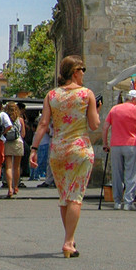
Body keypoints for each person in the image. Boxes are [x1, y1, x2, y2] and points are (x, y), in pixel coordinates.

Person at [30, 55, 100, 258]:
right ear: (75, 72)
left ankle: (70, 237)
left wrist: (34, 149)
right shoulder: (87, 94)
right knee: (76, 197)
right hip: (79, 149)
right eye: (83, 70)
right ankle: (69, 241)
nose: (84, 74)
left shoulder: (51, 95)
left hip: (58, 150)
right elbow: (94, 125)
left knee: (64, 197)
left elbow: (43, 124)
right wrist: (97, 110)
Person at [103, 89, 136, 211]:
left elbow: (105, 127)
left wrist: (105, 143)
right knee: (131, 174)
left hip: (115, 145)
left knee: (117, 174)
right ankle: (128, 202)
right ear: (134, 99)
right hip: (131, 144)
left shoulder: (114, 109)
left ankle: (117, 201)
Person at [2, 101, 26, 198]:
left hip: (7, 143)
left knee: (8, 167)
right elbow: (23, 134)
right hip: (18, 142)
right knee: (16, 167)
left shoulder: (5, 119)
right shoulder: (20, 120)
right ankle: (16, 186)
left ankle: (9, 188)